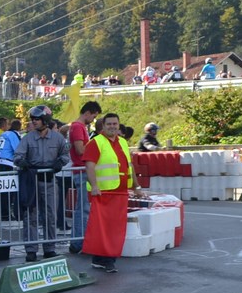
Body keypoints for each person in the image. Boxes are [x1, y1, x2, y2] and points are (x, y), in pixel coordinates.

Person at [83, 112, 144, 273]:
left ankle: (101, 259)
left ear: (118, 125)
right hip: (104, 193)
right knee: (104, 228)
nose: (112, 127)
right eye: (109, 124)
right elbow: (89, 165)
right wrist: (94, 186)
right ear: (103, 126)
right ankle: (107, 259)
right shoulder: (96, 142)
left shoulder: (122, 142)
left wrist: (136, 187)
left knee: (113, 228)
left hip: (120, 193)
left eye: (114, 124)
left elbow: (129, 166)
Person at [14, 106, 68, 260]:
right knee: (30, 216)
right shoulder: (27, 138)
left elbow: (65, 154)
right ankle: (31, 250)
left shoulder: (58, 138)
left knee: (50, 216)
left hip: (49, 182)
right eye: (32, 119)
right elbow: (17, 156)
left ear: (45, 120)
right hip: (32, 182)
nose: (34, 122)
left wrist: (60, 162)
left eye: (37, 119)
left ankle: (49, 248)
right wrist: (22, 162)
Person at [68, 101, 102, 253]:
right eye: (93, 117)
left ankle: (78, 241)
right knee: (83, 209)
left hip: (81, 171)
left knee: (82, 208)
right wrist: (95, 148)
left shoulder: (78, 127)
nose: (93, 120)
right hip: (81, 171)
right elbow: (80, 149)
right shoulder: (78, 127)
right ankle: (78, 242)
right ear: (87, 113)